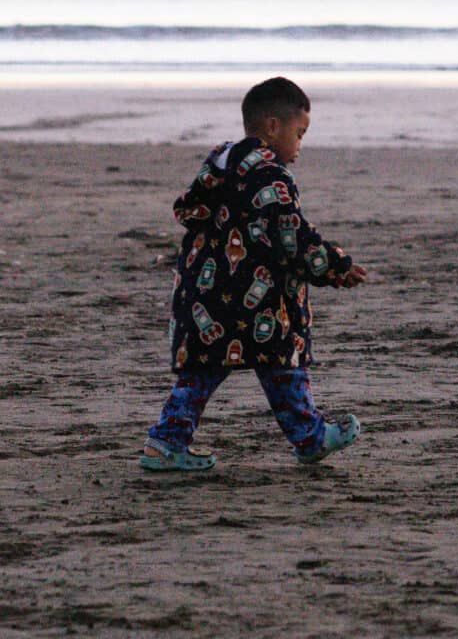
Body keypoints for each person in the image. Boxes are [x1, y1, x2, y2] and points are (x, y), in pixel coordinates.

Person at [140, 76, 369, 474]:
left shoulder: (221, 162)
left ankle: (167, 440)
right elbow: (293, 237)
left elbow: (190, 211)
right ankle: (310, 437)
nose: (300, 146)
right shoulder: (273, 178)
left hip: (206, 294)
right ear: (273, 126)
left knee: (206, 369)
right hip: (258, 300)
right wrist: (337, 267)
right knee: (283, 363)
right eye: (300, 134)